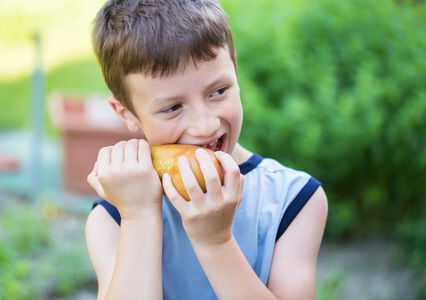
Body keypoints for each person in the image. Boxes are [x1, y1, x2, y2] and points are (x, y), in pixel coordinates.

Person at [85, 0, 328, 299]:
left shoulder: (294, 199)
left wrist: (215, 241)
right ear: (127, 114)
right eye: (173, 107)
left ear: (235, 70)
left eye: (218, 91)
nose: (205, 125)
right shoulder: (113, 218)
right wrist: (139, 218)